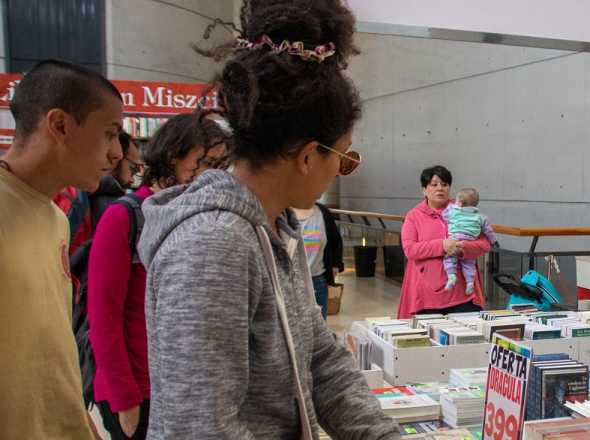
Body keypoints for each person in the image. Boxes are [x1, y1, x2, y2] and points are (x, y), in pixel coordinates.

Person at [138, 0, 399, 437]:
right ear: (308, 156)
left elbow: (318, 354)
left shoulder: (276, 227)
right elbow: (201, 426)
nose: (340, 169)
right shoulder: (212, 245)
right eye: (344, 157)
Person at [87, 111, 230, 440]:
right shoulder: (124, 218)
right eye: (207, 163)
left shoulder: (203, 216)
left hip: (184, 387)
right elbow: (104, 318)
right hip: (138, 391)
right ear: (171, 157)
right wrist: (126, 399)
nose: (216, 176)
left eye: (223, 166)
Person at [0, 59, 124, 439]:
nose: (117, 153)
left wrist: (75, 414)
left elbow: (48, 339)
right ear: (59, 125)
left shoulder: (56, 218)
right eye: (109, 134)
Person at [399, 165, 492, 318]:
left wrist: (462, 248)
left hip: (462, 293)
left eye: (444, 184)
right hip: (426, 294)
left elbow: (485, 244)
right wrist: (442, 245)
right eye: (434, 184)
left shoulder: (465, 211)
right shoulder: (413, 216)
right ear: (424, 190)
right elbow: (410, 249)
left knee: (468, 339)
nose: (440, 188)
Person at [293, 202, 345, 319]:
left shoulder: (322, 212)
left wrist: (336, 264)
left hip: (318, 279)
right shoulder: (285, 212)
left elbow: (335, 239)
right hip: (293, 280)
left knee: (320, 323)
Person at [441, 187, 498, 293]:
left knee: (449, 258)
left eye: (456, 200)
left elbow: (444, 216)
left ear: (460, 202)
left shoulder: (453, 211)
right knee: (469, 263)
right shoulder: (481, 217)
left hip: (455, 238)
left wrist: (451, 207)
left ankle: (451, 275)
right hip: (469, 241)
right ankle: (470, 282)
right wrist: (494, 241)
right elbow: (489, 231)